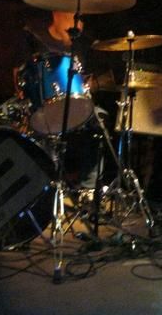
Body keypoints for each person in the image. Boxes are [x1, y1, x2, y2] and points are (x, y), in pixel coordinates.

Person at [14, 10, 109, 190]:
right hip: (44, 105)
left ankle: (88, 188)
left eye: (81, 19)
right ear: (57, 14)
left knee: (100, 120)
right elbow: (19, 75)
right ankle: (47, 186)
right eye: (74, 17)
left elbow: (85, 80)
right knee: (42, 130)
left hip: (76, 104)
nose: (79, 24)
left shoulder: (82, 44)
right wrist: (24, 94)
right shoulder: (34, 38)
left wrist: (89, 84)